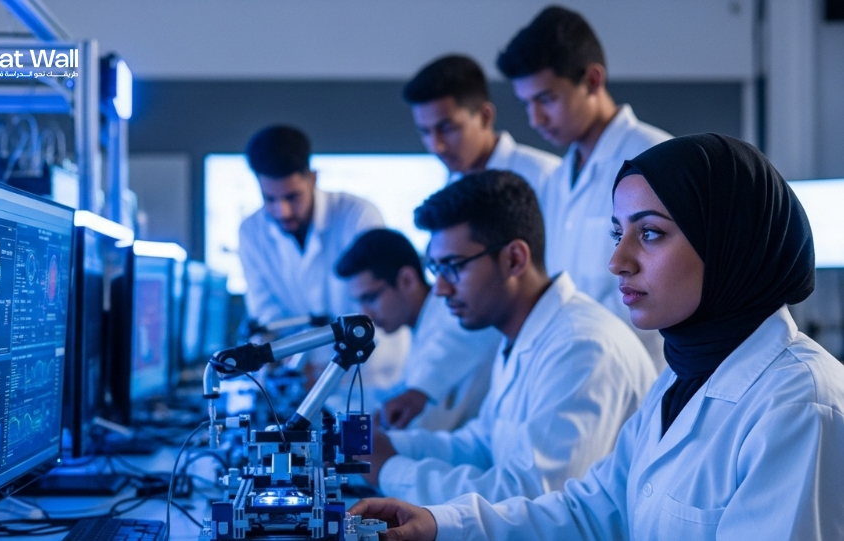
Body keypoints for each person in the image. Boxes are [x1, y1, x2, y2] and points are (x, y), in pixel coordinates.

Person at [351, 134, 844, 541]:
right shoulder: (682, 379)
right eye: (617, 233)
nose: (618, 261)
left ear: (730, 240)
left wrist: (393, 466)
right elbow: (594, 509)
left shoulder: (798, 405)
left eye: (649, 233)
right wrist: (440, 524)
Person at [362, 170, 656, 505]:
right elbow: (484, 445)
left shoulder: (582, 346)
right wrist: (392, 446)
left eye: (453, 267)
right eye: (436, 270)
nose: (441, 290)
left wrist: (390, 470)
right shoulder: (521, 335)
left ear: (514, 259)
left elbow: (536, 499)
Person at [496, 6, 672, 369]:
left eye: (546, 99)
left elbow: (674, 280)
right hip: (572, 367)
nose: (535, 119)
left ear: (592, 80)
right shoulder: (559, 178)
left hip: (641, 368)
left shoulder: (657, 157)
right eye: (526, 103)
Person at [335, 228, 501, 431]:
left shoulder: (453, 317)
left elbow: (423, 414)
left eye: (371, 298)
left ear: (407, 280)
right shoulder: (423, 327)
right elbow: (398, 394)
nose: (366, 314)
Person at [237, 125, 384, 326]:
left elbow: (375, 306)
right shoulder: (251, 232)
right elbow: (267, 314)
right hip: (298, 357)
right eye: (269, 199)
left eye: (292, 197)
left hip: (371, 354)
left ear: (313, 178)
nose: (283, 211)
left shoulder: (357, 216)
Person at [403, 54, 559, 190]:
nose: (437, 146)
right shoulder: (451, 187)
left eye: (447, 128)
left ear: (485, 116)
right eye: (425, 132)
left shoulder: (545, 177)